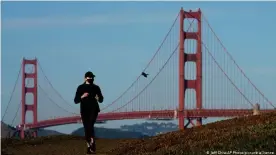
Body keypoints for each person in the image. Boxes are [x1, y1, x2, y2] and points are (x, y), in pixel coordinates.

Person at [74, 71, 104, 154]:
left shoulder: (96, 87)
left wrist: (98, 98)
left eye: (92, 77)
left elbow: (101, 99)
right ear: (85, 78)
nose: (91, 79)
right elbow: (76, 100)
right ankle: (89, 146)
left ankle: (92, 141)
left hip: (94, 109)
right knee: (86, 128)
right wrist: (82, 96)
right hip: (84, 110)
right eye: (90, 77)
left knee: (90, 125)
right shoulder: (80, 87)